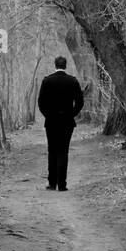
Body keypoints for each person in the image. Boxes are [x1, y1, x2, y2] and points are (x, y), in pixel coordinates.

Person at [37, 55, 84, 191]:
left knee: (52, 151)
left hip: (51, 122)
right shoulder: (72, 81)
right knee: (63, 151)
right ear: (65, 66)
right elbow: (80, 102)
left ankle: (52, 183)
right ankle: (62, 185)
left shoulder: (47, 81)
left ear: (55, 65)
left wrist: (48, 115)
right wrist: (71, 114)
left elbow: (41, 102)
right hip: (67, 122)